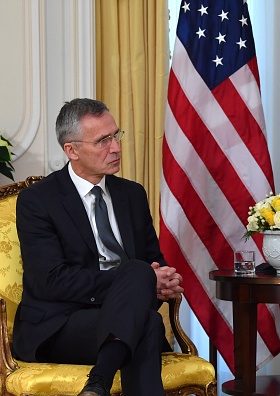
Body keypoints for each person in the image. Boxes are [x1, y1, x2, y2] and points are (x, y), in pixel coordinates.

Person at [12, 98, 184, 396]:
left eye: (116, 135)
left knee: (145, 316)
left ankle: (98, 382)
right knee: (147, 320)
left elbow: (153, 262)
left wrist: (162, 281)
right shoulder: (38, 200)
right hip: (61, 326)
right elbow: (49, 280)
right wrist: (139, 280)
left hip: (124, 318)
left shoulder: (132, 194)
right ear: (72, 150)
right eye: (103, 140)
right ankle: (101, 377)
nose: (116, 147)